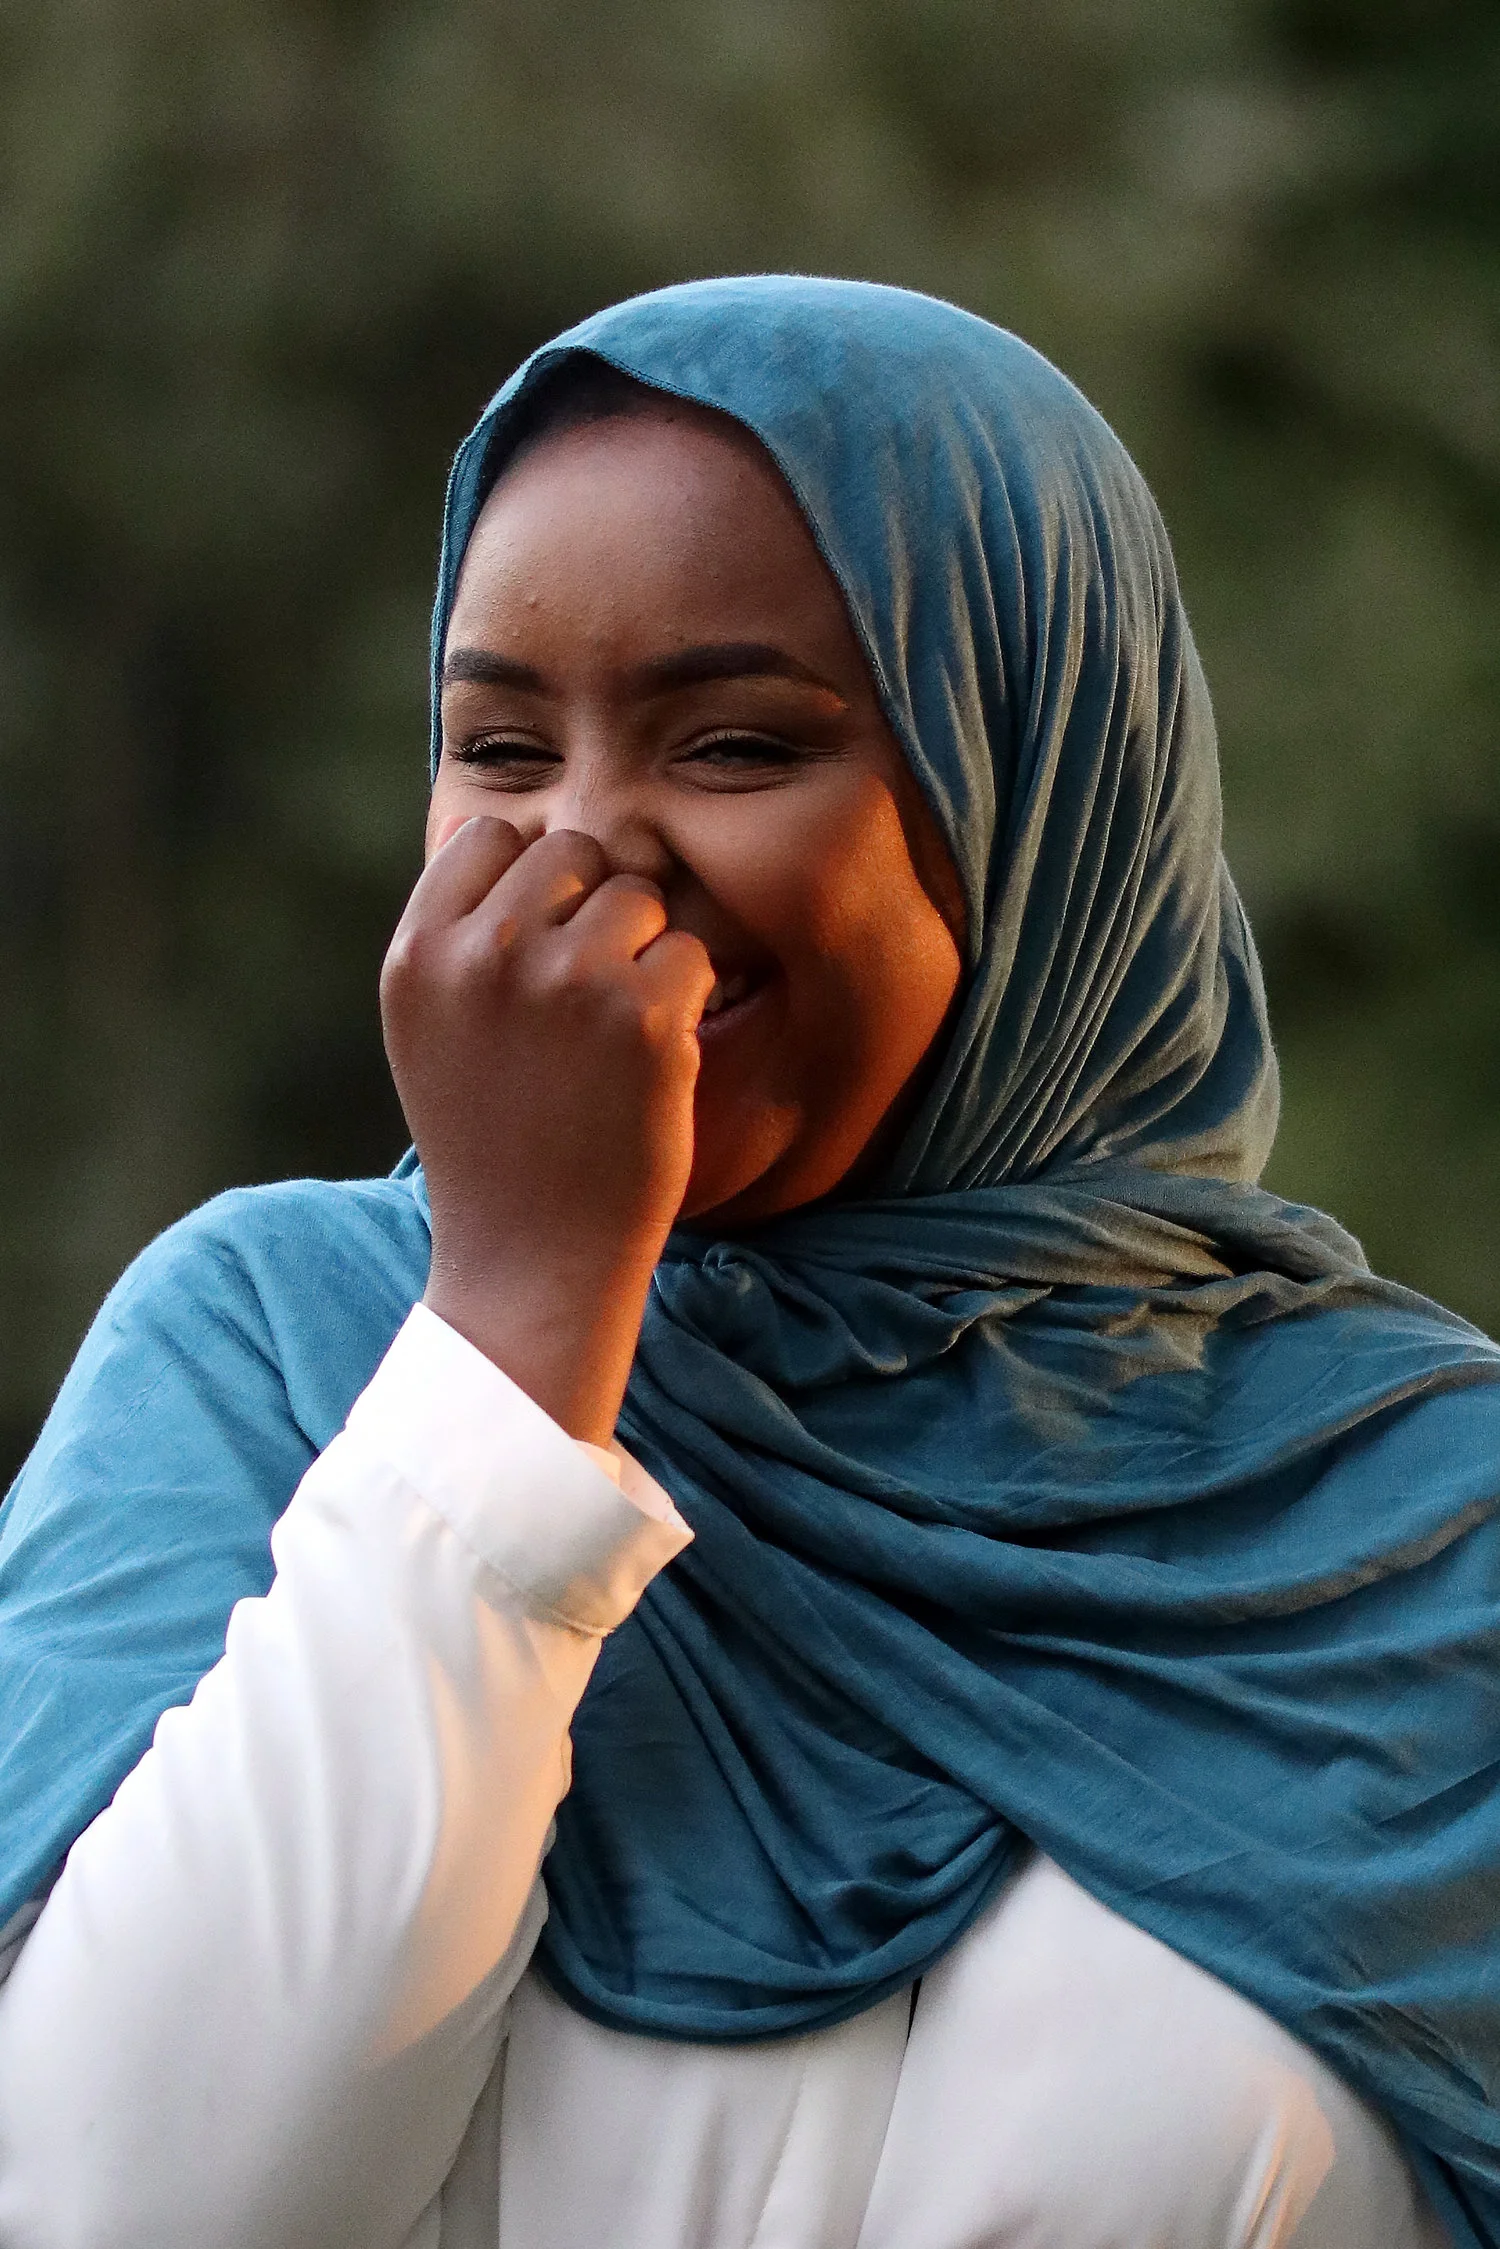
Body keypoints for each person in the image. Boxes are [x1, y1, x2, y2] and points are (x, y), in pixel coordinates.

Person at [0, 274, 1495, 2249]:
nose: (586, 847)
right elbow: (119, 2199)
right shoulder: (270, 1361)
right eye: (499, 747)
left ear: (1033, 796)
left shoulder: (1424, 1533)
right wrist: (514, 1335)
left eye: (729, 744)